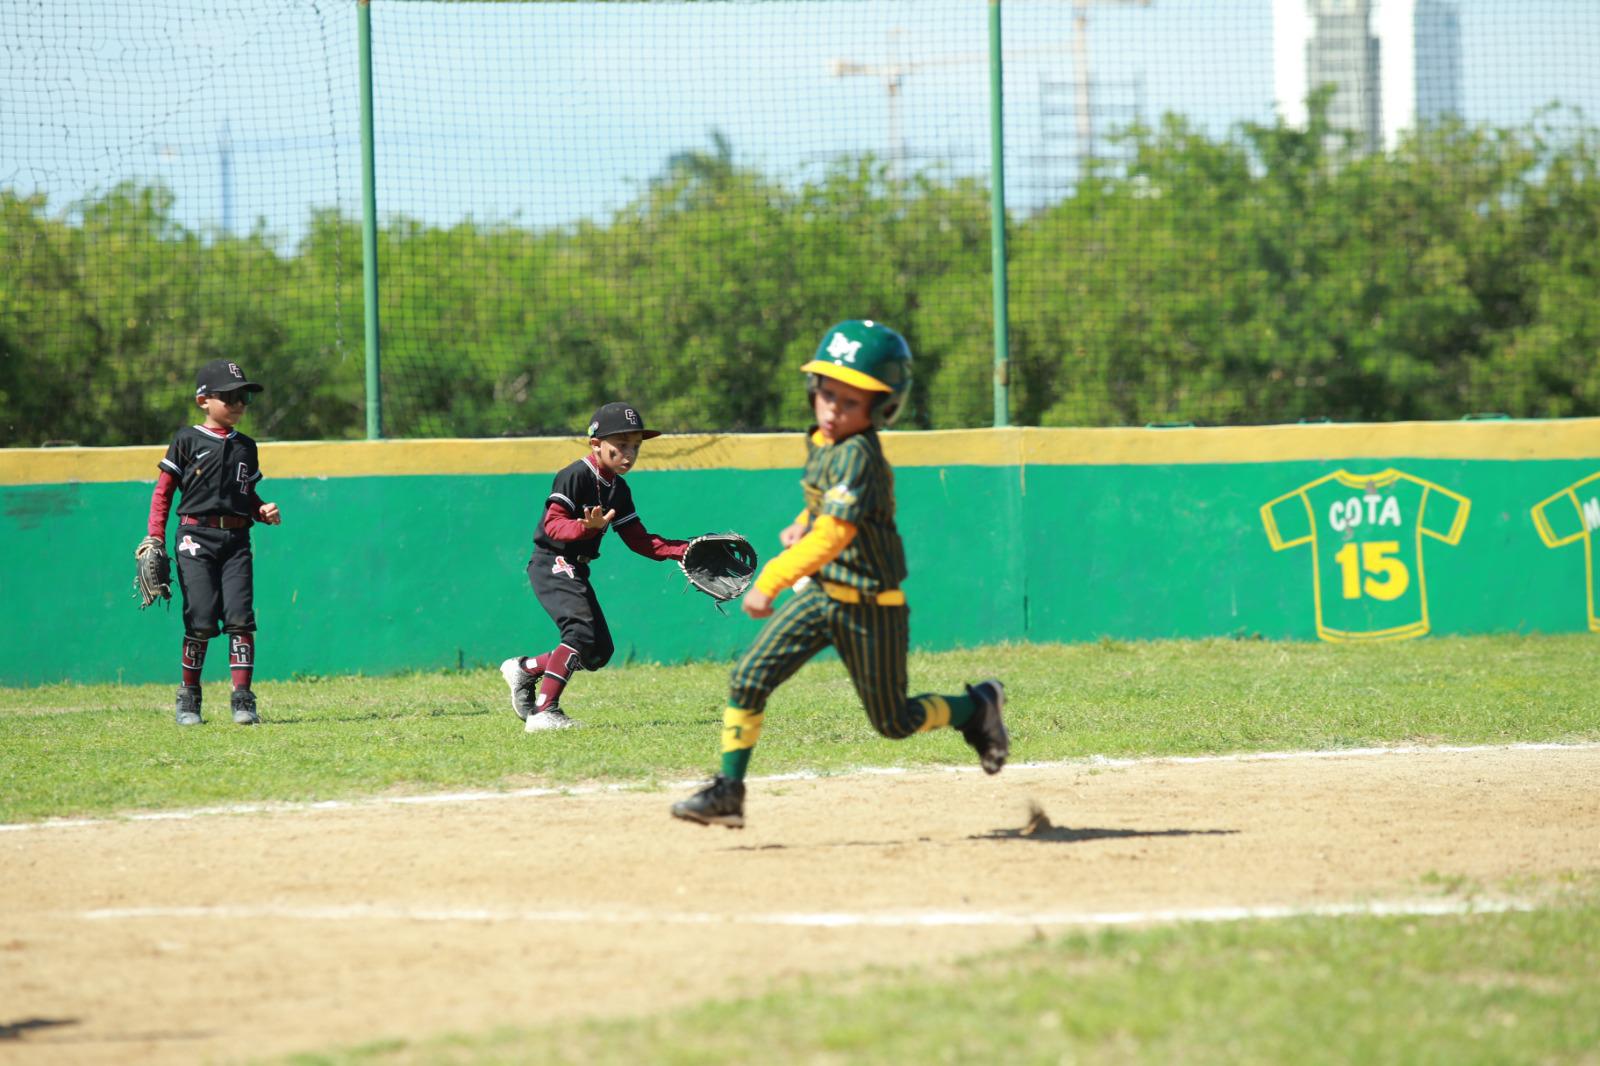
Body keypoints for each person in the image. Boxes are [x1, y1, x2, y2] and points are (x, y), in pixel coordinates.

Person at [671, 320, 1008, 829]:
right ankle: (728, 791)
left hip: (871, 607)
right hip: (825, 596)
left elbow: (834, 536)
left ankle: (977, 707)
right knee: (749, 678)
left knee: (894, 722)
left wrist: (771, 581)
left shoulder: (858, 454)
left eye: (851, 403)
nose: (833, 410)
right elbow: (824, 514)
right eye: (827, 394)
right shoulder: (824, 442)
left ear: (881, 408)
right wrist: (801, 523)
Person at [500, 402, 691, 731]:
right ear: (596, 444)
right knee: (579, 633)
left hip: (576, 567)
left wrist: (684, 550)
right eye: (620, 445)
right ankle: (545, 712)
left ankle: (526, 668)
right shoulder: (575, 475)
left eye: (635, 445)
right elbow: (553, 526)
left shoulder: (619, 489)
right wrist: (586, 528)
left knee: (597, 651)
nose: (629, 453)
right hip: (552, 561)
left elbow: (639, 540)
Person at [141, 359, 282, 726]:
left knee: (240, 618)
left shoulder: (246, 447)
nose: (238, 403)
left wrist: (260, 509)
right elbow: (164, 492)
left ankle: (243, 700)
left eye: (244, 396)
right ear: (203, 399)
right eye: (229, 396)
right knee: (201, 619)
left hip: (236, 538)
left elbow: (245, 491)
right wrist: (155, 536)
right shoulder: (187, 439)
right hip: (195, 536)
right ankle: (189, 698)